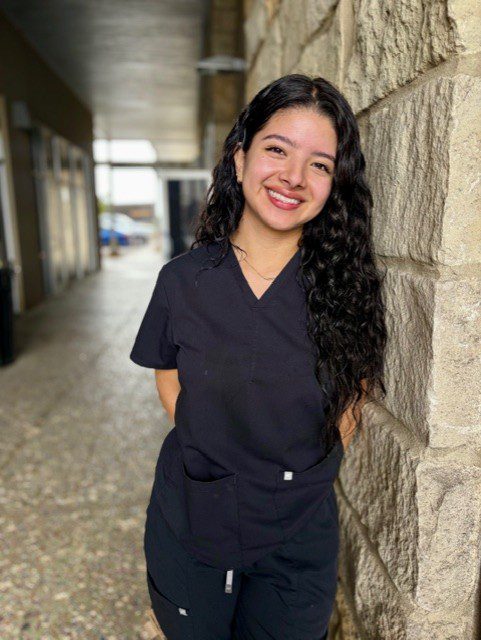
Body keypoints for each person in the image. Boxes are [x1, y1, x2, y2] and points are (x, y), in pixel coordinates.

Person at [130, 73, 387, 640]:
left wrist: (295, 473)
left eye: (319, 164)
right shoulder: (184, 281)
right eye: (277, 150)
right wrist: (212, 445)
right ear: (240, 159)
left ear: (334, 184)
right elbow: (167, 371)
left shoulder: (348, 287)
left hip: (297, 526)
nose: (293, 177)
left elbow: (354, 392)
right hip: (194, 517)